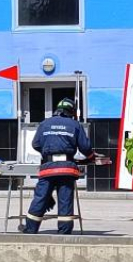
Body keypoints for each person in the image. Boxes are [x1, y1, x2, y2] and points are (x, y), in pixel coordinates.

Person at [22, 98, 93, 235]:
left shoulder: (44, 124)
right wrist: (91, 157)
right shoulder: (75, 125)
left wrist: (48, 151)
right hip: (67, 169)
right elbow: (85, 147)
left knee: (41, 198)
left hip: (48, 168)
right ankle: (64, 232)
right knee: (65, 200)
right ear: (71, 111)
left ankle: (30, 229)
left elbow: (36, 144)